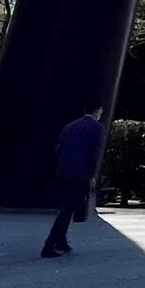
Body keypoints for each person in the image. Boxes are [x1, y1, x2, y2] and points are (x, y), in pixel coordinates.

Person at [41, 102, 105, 259]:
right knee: (67, 210)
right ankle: (49, 246)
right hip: (80, 173)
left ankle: (61, 241)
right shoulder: (96, 128)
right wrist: (93, 175)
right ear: (98, 111)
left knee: (66, 207)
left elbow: (59, 148)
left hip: (64, 171)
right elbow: (94, 154)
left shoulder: (70, 126)